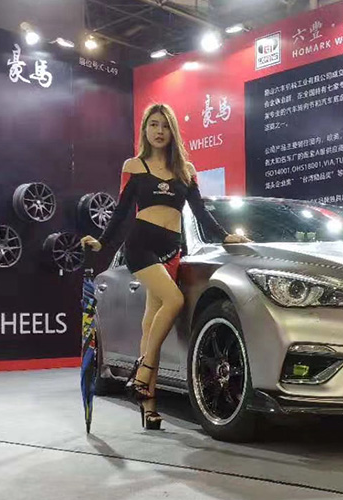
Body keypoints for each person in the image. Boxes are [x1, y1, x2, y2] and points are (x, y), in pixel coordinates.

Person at [81, 103, 249, 430]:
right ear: (145, 130)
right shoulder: (134, 165)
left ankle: (148, 405)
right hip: (141, 245)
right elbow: (121, 211)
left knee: (151, 329)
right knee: (174, 300)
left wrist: (226, 236)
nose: (159, 131)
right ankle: (142, 374)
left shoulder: (186, 170)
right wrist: (102, 243)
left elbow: (200, 213)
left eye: (165, 126)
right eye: (153, 125)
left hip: (172, 249)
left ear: (173, 131)